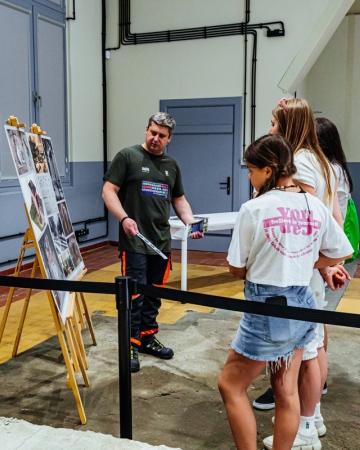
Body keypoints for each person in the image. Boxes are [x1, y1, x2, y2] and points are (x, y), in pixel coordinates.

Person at [218, 134, 352, 450]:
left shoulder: (254, 208)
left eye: (251, 169)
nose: (249, 176)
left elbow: (236, 269)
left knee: (230, 385)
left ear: (268, 170)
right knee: (285, 390)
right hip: (303, 305)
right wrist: (306, 260)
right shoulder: (313, 204)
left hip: (269, 307)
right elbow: (340, 252)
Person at [259, 98, 350, 449]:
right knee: (314, 344)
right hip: (310, 269)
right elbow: (334, 220)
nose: (269, 130)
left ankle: (305, 428)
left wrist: (318, 263)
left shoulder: (300, 162)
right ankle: (312, 418)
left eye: (273, 123)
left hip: (299, 272)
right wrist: (329, 261)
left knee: (308, 351)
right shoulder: (322, 161)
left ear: (287, 126)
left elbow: (312, 220)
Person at [102, 112, 203, 373]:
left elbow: (179, 200)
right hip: (135, 240)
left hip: (161, 242)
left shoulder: (171, 165)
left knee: (153, 295)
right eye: (152, 132)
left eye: (161, 136)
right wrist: (123, 218)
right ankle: (130, 344)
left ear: (169, 139)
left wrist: (191, 223)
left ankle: (146, 338)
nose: (155, 138)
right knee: (134, 295)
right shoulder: (128, 156)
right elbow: (108, 191)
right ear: (146, 129)